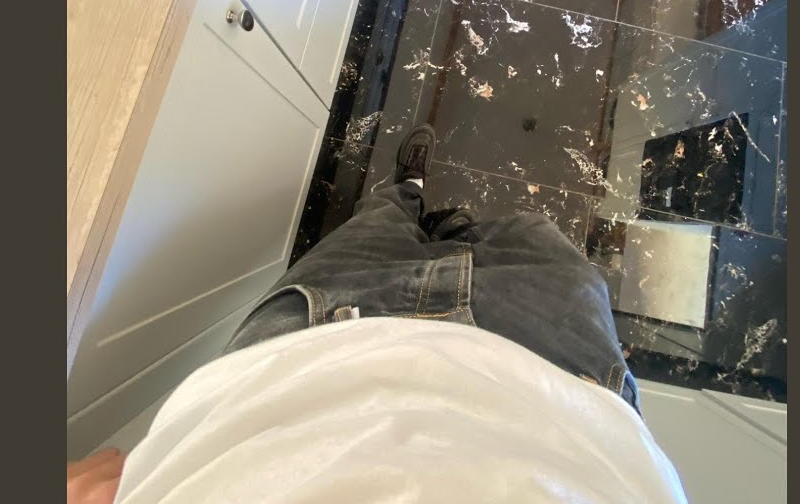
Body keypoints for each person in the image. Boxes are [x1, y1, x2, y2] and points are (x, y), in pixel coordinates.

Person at [67, 125, 688, 503]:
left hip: (308, 354)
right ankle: (455, 229)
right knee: (533, 232)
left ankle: (408, 194)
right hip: (567, 380)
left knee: (379, 222)